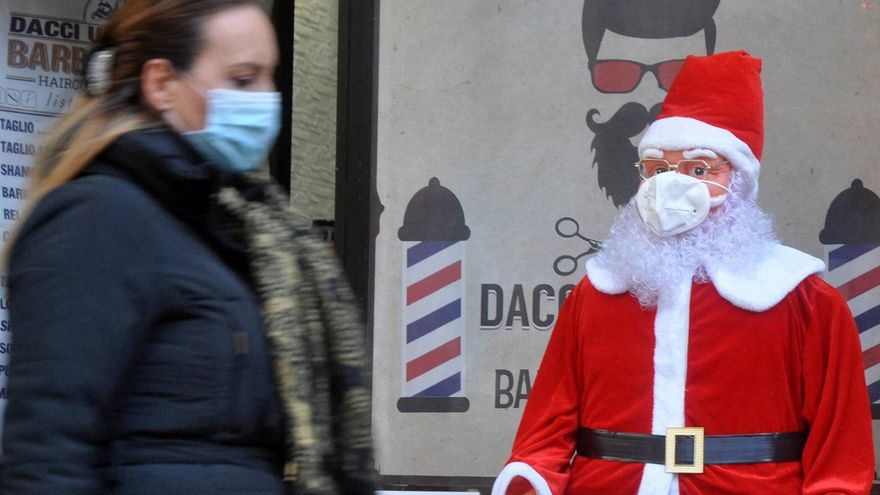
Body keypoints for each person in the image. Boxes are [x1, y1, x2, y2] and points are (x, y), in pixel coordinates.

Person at [0, 1, 374, 494]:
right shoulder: (97, 219)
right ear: (162, 84)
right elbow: (48, 450)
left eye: (270, 77)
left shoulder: (239, 230)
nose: (267, 98)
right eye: (243, 79)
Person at [492, 51, 874, 494]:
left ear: (738, 181)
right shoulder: (596, 293)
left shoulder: (803, 301)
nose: (668, 185)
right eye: (655, 169)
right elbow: (547, 428)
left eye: (697, 169)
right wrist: (532, 478)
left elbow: (840, 453)